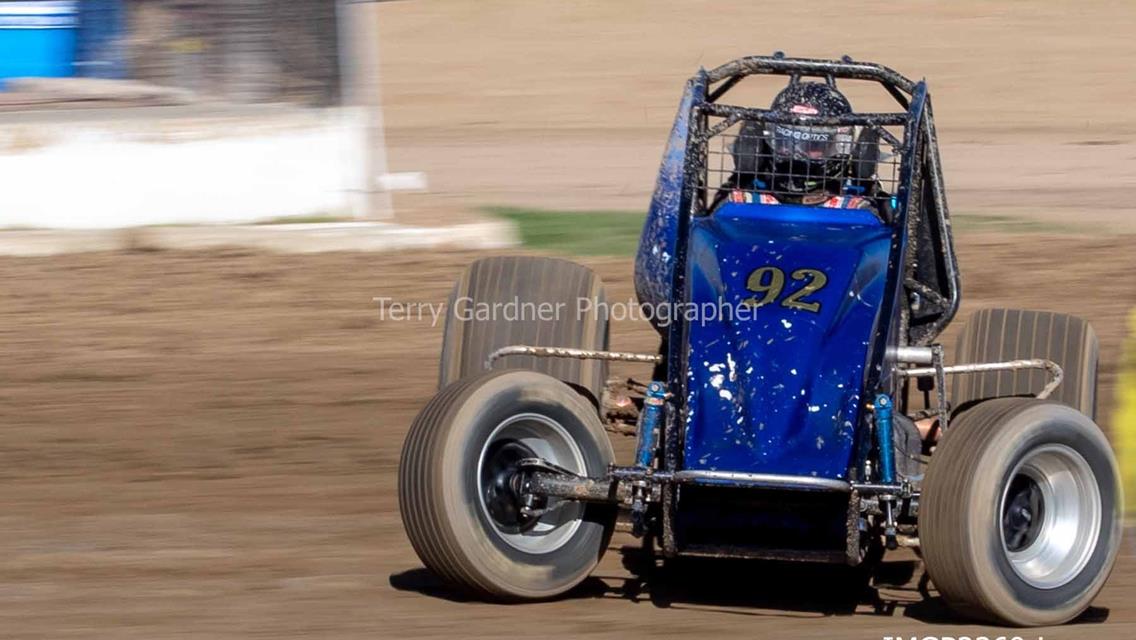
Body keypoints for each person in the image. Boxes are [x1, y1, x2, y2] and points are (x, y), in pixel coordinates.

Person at [726, 79, 879, 212]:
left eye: (812, 145)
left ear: (836, 147)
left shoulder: (855, 206)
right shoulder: (744, 200)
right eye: (787, 143)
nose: (797, 154)